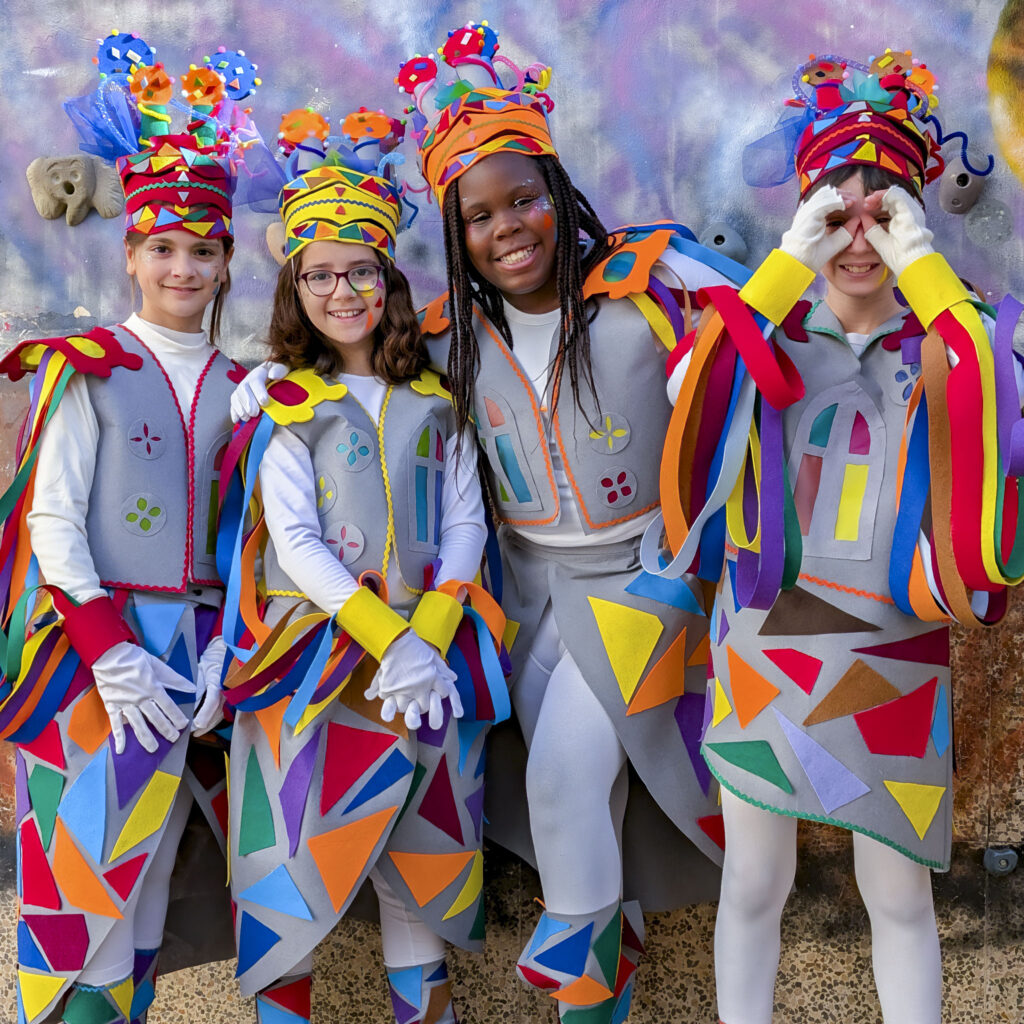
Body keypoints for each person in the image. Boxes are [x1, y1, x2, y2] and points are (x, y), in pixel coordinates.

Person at [652, 50, 1021, 1024]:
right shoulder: (763, 332)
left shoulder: (949, 341)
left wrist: (921, 269)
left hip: (891, 653)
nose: (859, 231)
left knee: (898, 897)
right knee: (752, 886)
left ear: (912, 217)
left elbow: (991, 390)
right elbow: (687, 398)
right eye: (836, 205)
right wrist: (786, 263)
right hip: (761, 651)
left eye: (883, 206)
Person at [218, 106, 506, 1024]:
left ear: (387, 276)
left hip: (432, 659)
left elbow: (466, 523)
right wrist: (386, 638)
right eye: (320, 275)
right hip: (314, 666)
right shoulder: (289, 405)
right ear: (294, 287)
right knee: (293, 874)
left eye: (360, 271)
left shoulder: (436, 400)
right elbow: (294, 542)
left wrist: (429, 637)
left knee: (418, 871)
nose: (342, 291)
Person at [0, 34, 259, 1024]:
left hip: (199, 670)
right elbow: (53, 518)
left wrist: (228, 655)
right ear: (132, 253)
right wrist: (108, 652)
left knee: (150, 894)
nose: (182, 267)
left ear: (227, 259)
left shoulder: (247, 389)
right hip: (92, 660)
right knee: (77, 899)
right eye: (162, 248)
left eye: (202, 250)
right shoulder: (89, 364)